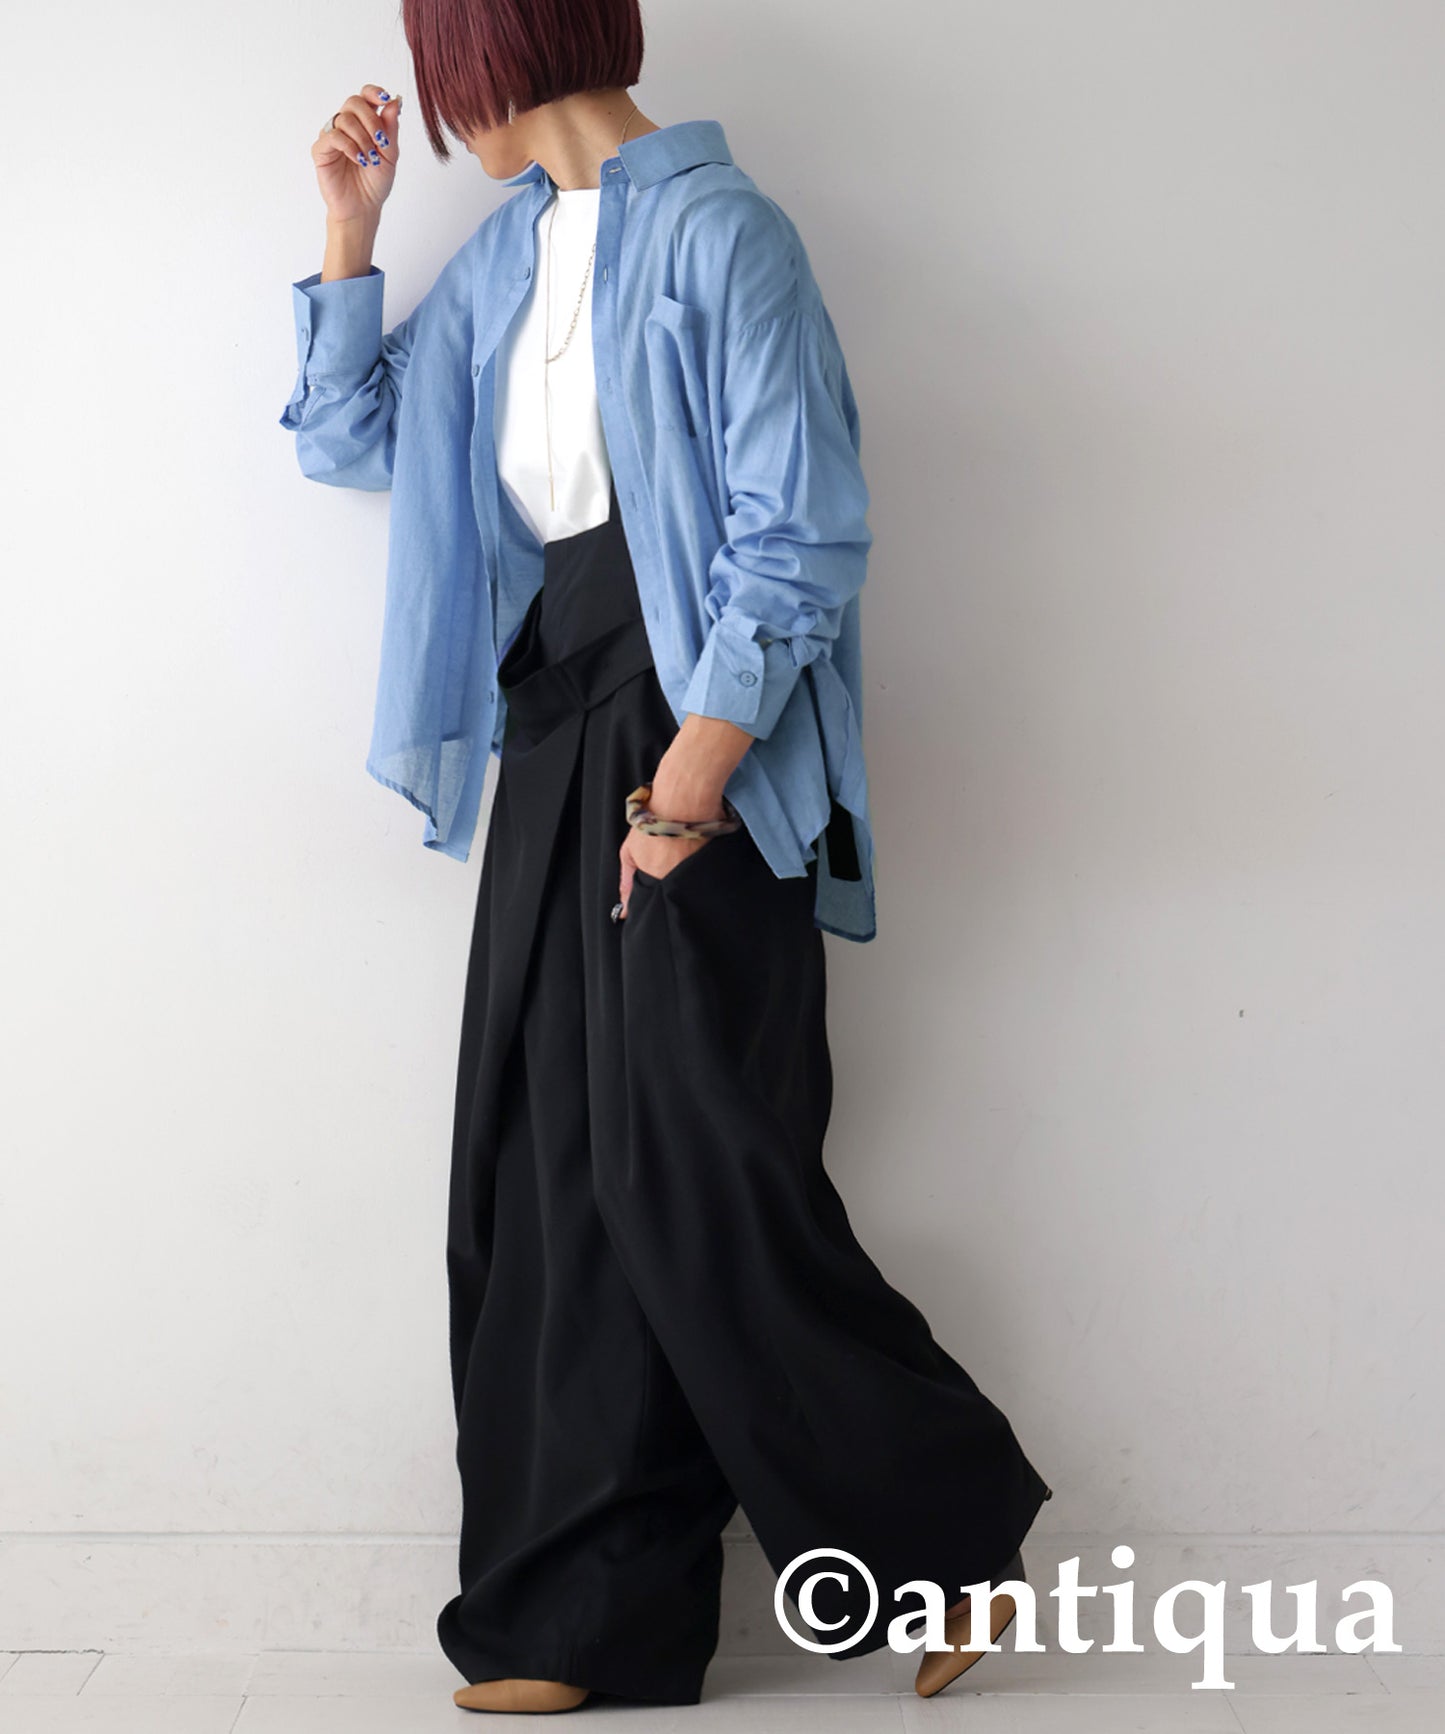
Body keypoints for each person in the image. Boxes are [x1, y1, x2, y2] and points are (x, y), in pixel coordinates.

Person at [279, 0, 1052, 1714]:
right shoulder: (504, 256)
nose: (441, 112)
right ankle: (583, 1620)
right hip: (556, 722)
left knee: (690, 1163)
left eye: (444, 74)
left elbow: (801, 528)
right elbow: (353, 441)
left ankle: (948, 1543)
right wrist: (349, 232)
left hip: (698, 737)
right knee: (542, 1169)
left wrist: (689, 786)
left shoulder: (724, 236)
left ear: (493, 55)